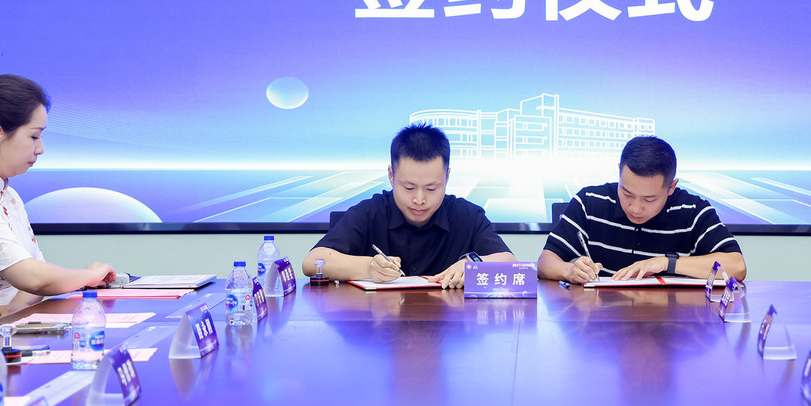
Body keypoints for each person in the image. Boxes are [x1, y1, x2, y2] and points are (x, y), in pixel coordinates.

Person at [0, 74, 116, 330]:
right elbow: (34, 278)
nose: (40, 149)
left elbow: (36, 272)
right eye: (34, 136)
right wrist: (89, 276)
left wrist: (15, 307)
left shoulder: (8, 194)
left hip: (6, 333)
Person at [302, 123, 516, 289]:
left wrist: (474, 265)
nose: (419, 199)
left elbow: (510, 262)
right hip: (378, 323)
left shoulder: (467, 215)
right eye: (409, 187)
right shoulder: (370, 212)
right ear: (391, 175)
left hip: (448, 323)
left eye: (431, 188)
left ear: (447, 177)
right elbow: (312, 262)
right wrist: (368, 268)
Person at [538, 136, 746, 284]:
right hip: (601, 321)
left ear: (671, 187)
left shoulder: (692, 211)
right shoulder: (590, 201)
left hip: (671, 323)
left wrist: (666, 263)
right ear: (619, 172)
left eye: (649, 199)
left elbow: (736, 267)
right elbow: (545, 262)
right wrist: (570, 271)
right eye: (627, 193)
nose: (635, 208)